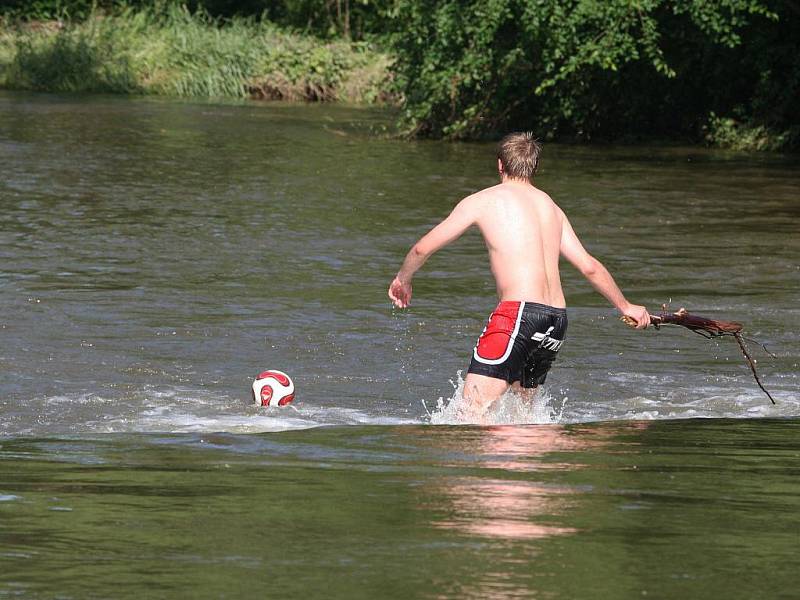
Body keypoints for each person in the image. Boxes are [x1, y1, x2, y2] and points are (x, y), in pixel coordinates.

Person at [388, 132, 650, 413]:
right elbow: (589, 266)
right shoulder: (551, 207)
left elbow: (421, 249)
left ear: (501, 165)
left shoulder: (483, 200)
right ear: (533, 168)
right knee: (522, 416)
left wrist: (403, 279)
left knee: (470, 411)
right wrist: (625, 305)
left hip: (519, 314)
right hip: (556, 319)